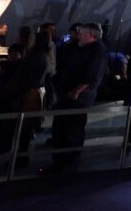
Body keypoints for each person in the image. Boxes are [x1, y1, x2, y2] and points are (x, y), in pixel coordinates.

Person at [44, 22, 107, 174]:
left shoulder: (97, 51)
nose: (78, 35)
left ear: (90, 35)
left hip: (77, 98)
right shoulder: (81, 48)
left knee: (71, 130)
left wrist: (76, 91)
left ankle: (67, 164)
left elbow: (92, 76)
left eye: (81, 32)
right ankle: (61, 162)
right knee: (61, 129)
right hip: (69, 95)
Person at [0, 27, 50, 165]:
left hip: (27, 94)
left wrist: (9, 92)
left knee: (23, 127)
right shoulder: (40, 55)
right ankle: (20, 156)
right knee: (24, 127)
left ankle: (21, 157)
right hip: (30, 92)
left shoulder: (36, 56)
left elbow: (24, 77)